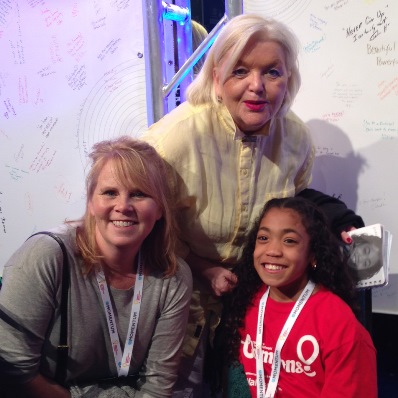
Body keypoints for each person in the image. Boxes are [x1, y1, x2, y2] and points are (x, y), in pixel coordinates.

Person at [141, 14, 364, 396]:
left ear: (288, 80)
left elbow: (293, 209)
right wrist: (202, 268)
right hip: (180, 299)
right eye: (240, 71)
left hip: (253, 303)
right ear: (216, 78)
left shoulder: (295, 137)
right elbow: (145, 231)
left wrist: (339, 220)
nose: (256, 87)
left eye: (272, 72)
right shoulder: (171, 140)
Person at [0, 136, 192, 397]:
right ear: (91, 202)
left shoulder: (174, 276)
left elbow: (158, 386)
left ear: (159, 209)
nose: (123, 206)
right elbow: (14, 369)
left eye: (139, 194)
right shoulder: (46, 256)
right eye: (110, 192)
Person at [221, 197, 377, 397]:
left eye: (289, 241)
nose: (272, 250)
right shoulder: (248, 302)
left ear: (313, 254)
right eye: (263, 238)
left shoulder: (339, 325)